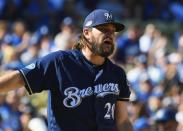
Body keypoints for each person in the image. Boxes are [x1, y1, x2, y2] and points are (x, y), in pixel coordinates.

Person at [0, 9, 133, 131]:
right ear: (86, 33)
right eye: (104, 29)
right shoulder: (59, 62)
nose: (110, 34)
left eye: (112, 31)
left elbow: (123, 121)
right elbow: (19, 78)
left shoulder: (117, 73)